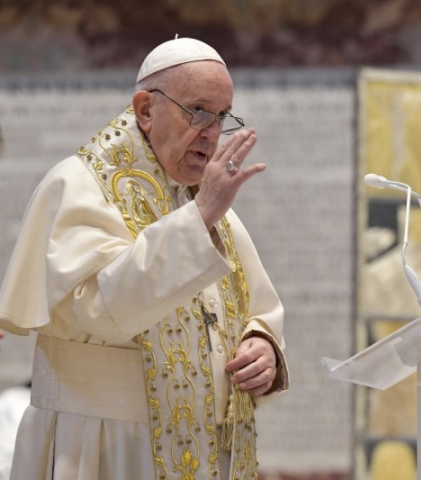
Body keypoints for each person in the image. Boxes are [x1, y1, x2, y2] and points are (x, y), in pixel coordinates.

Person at [0, 37, 288, 480]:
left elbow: (255, 306)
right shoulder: (78, 186)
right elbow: (100, 308)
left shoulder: (197, 198)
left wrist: (263, 346)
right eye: (198, 111)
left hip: (205, 446)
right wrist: (199, 219)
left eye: (223, 115)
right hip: (103, 444)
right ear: (145, 109)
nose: (212, 132)